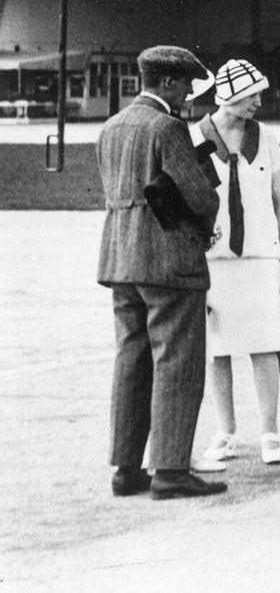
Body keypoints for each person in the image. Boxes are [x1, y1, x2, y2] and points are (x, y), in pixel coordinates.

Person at [97, 45, 226, 500]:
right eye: (185, 84)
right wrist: (206, 220)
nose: (188, 93)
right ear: (167, 82)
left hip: (120, 257)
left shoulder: (112, 126)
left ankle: (126, 468)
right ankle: (171, 470)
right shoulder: (168, 128)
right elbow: (201, 197)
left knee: (131, 362)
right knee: (177, 362)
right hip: (169, 260)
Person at [193, 59, 280, 466]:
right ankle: (226, 430)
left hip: (259, 258)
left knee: (265, 345)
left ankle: (270, 431)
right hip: (214, 261)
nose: (258, 103)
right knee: (217, 349)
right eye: (252, 96)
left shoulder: (265, 136)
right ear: (230, 97)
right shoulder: (196, 138)